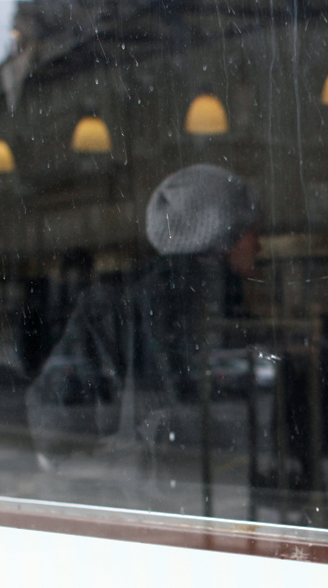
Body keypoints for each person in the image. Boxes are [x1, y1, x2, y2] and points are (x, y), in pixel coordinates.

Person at [26, 164, 262, 465]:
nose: (258, 245)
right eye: (252, 232)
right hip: (211, 496)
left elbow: (53, 422)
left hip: (138, 498)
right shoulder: (217, 314)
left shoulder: (115, 305)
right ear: (222, 234)